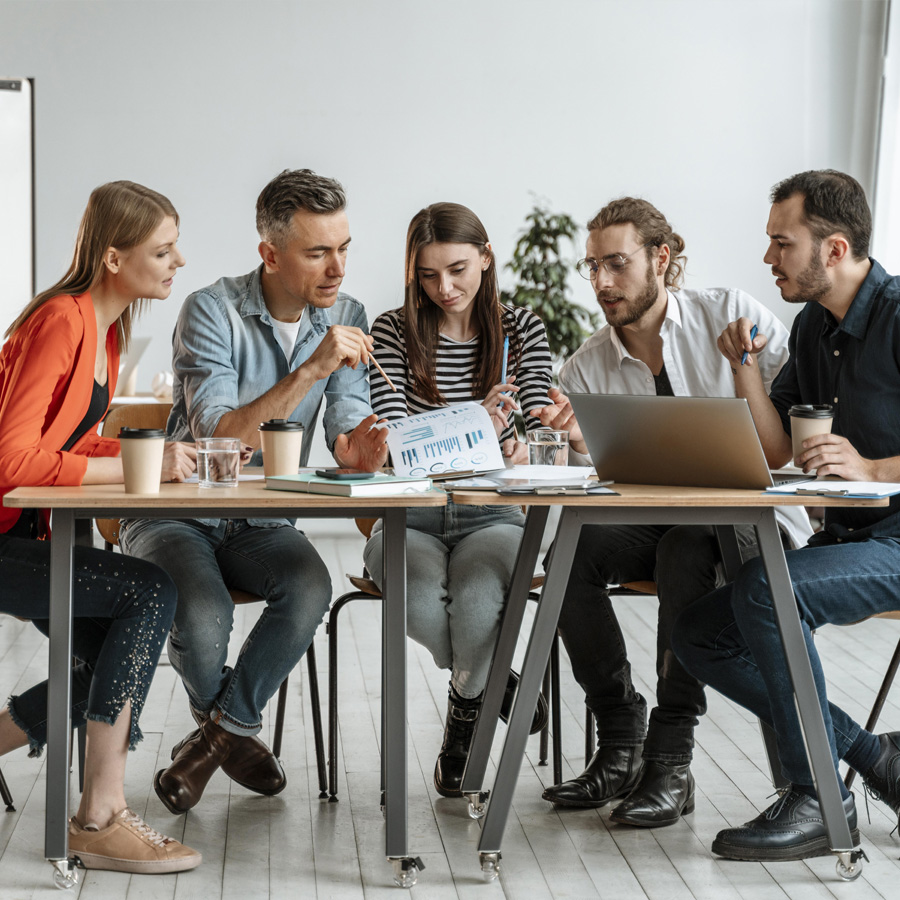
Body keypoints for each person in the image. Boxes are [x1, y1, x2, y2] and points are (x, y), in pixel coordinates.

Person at [531, 197, 811, 827]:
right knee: (570, 553)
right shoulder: (585, 366)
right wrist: (576, 446)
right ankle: (620, 737)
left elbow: (801, 409)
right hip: (656, 521)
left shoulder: (731, 314)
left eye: (617, 263)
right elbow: (580, 484)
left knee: (684, 547)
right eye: (593, 266)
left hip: (748, 525)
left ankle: (670, 758)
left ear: (661, 258)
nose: (602, 282)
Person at [120, 169, 388, 815]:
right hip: (179, 512)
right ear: (270, 254)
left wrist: (358, 448)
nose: (337, 268)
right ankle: (235, 737)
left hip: (264, 520)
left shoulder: (348, 315)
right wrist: (313, 367)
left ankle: (215, 739)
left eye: (343, 248)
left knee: (310, 586)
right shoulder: (210, 309)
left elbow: (345, 422)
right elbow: (220, 438)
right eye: (317, 252)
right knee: (203, 613)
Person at [672, 170, 900, 860]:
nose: (769, 257)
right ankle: (875, 757)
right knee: (699, 634)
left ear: (834, 249)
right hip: (852, 541)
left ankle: (818, 799)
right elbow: (777, 450)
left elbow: (862, 466)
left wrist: (873, 469)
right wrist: (743, 366)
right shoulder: (811, 328)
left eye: (782, 242)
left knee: (767, 591)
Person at [0, 181, 200, 874]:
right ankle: (99, 817)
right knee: (147, 592)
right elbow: (12, 461)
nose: (178, 262)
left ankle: (96, 812)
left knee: (108, 661)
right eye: (163, 251)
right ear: (114, 258)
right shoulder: (61, 320)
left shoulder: (106, 331)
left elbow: (69, 442)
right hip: (5, 540)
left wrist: (160, 456)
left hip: (29, 537)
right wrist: (137, 465)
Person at [363, 202, 552, 797]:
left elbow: (531, 431)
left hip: (492, 512)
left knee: (476, 602)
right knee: (417, 598)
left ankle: (463, 727)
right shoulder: (392, 331)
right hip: (409, 514)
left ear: (486, 258)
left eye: (457, 270)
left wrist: (511, 440)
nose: (443, 288)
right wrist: (476, 426)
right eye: (428, 275)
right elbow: (394, 442)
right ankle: (494, 685)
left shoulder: (522, 329)